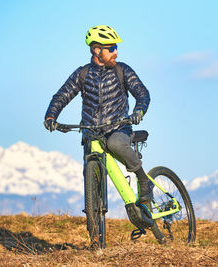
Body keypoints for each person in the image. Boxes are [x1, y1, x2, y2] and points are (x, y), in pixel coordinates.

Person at [43, 25, 152, 205]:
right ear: (97, 50)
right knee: (89, 173)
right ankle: (94, 223)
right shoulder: (82, 73)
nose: (116, 52)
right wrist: (50, 117)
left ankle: (143, 179)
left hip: (119, 128)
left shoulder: (122, 70)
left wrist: (138, 111)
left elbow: (142, 93)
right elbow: (62, 95)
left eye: (116, 47)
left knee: (115, 143)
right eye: (111, 48)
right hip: (91, 132)